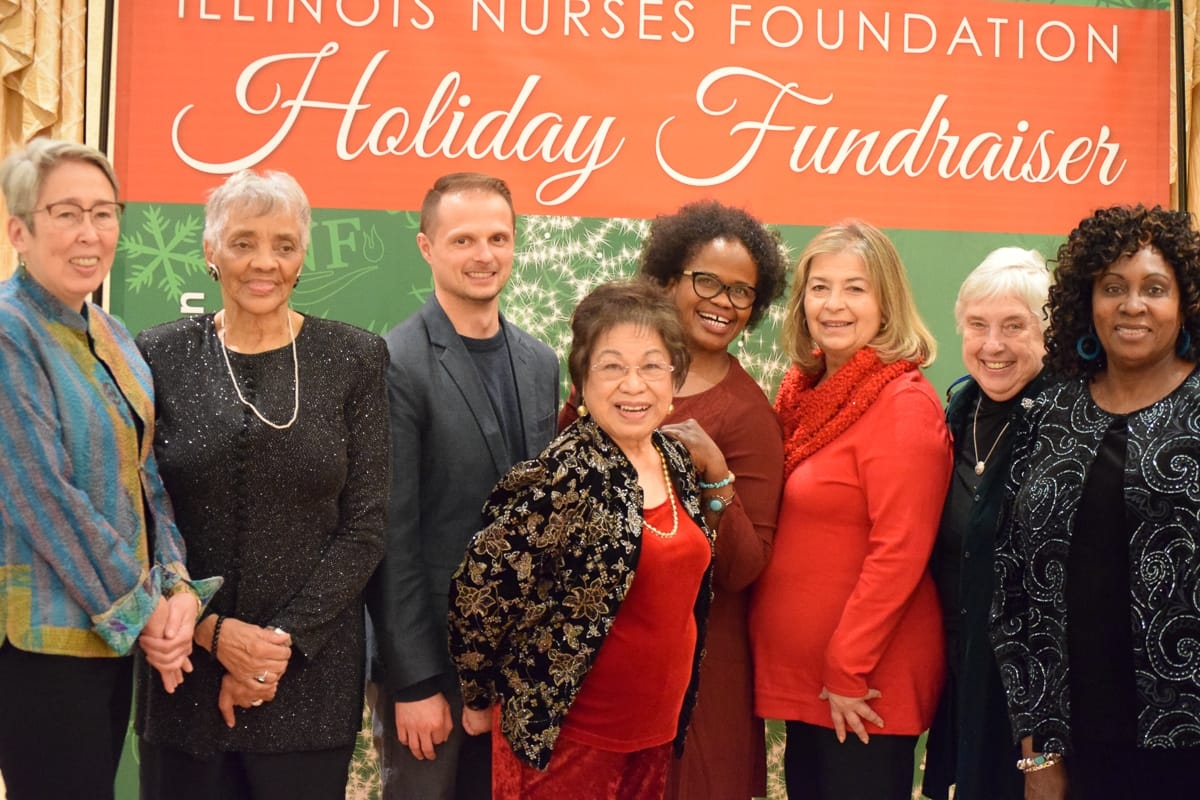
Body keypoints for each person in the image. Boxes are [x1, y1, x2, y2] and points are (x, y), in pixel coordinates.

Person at [133, 169, 390, 799]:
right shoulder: (157, 355)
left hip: (307, 679)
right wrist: (213, 633)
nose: (264, 262)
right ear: (210, 251)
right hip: (184, 671)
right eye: (243, 242)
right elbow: (136, 513)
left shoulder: (355, 358)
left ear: (302, 257)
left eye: (284, 245)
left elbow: (365, 525)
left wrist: (276, 648)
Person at [0, 138, 219, 800]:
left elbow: (147, 478)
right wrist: (147, 612)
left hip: (111, 641)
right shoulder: (9, 332)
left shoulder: (113, 334)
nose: (90, 233)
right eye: (66, 213)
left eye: (104, 213)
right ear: (19, 231)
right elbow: (42, 496)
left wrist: (176, 588)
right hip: (40, 643)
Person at [448, 278, 716, 800]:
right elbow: (479, 588)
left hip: (653, 731)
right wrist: (478, 694)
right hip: (568, 739)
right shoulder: (566, 474)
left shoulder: (675, 460)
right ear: (583, 380)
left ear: (674, 378)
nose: (634, 385)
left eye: (652, 366)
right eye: (612, 366)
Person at [560, 200, 787, 799]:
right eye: (707, 281)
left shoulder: (747, 416)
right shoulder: (606, 386)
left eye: (742, 292)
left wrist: (715, 475)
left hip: (700, 677)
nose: (723, 302)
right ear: (666, 281)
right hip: (601, 665)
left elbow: (744, 568)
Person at [990, 204, 1200, 800]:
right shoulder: (1049, 414)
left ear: (1185, 304)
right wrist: (1037, 755)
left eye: (1154, 288)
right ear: (1088, 302)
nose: (1132, 305)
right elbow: (1013, 594)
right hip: (1076, 747)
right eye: (1113, 288)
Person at [366, 172, 560, 800]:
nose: (484, 255)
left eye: (498, 238)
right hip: (434, 674)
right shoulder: (395, 361)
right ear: (427, 247)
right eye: (463, 240)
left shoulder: (540, 361)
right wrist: (415, 682)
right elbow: (391, 539)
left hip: (519, 672)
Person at [749, 219, 952, 799]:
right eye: (820, 287)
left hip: (863, 688)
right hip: (813, 684)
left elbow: (900, 552)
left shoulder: (903, 404)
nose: (833, 304)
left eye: (855, 288)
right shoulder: (804, 394)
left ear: (886, 303)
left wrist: (847, 667)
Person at [922, 247, 1052, 800]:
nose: (992, 344)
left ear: (1048, 332)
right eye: (978, 325)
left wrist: (1044, 751)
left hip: (1036, 707)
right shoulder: (954, 414)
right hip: (964, 677)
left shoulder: (1070, 426)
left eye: (1014, 326)